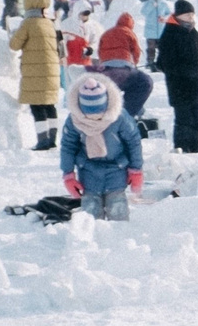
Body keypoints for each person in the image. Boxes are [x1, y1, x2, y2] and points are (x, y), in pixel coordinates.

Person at [60, 71, 144, 219]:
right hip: (88, 171)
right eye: (89, 116)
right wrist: (68, 175)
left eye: (98, 115)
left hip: (117, 169)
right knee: (90, 216)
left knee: (118, 212)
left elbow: (133, 142)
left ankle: (118, 238)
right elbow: (68, 146)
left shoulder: (119, 117)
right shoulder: (74, 120)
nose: (94, 120)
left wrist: (136, 170)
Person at [7, 0, 65, 149]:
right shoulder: (51, 23)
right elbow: (61, 47)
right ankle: (52, 139)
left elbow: (14, 45)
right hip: (52, 70)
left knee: (37, 106)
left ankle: (42, 140)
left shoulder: (28, 23)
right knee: (50, 105)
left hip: (35, 70)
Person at [155, 0, 198, 153]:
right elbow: (166, 63)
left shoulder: (194, 32)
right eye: (187, 14)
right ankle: (182, 149)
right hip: (179, 86)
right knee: (184, 120)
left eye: (192, 14)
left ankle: (197, 149)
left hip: (196, 85)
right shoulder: (170, 33)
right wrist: (191, 71)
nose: (191, 17)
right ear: (179, 15)